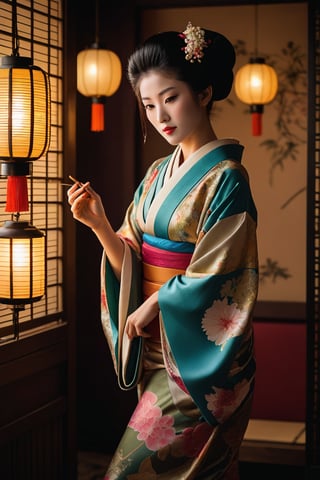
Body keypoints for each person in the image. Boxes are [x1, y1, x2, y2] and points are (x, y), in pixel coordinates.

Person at [68, 21, 259, 480]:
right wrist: (97, 223)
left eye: (170, 98)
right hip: (157, 345)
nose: (159, 116)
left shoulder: (227, 178)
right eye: (149, 105)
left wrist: (156, 301)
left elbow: (219, 273)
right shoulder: (156, 172)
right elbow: (130, 258)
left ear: (205, 92)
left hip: (198, 359)